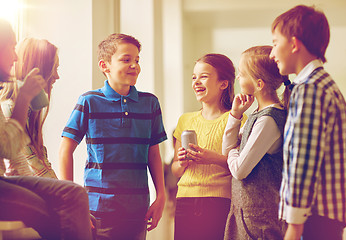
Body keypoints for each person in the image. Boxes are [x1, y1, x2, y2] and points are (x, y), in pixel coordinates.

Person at [59, 33, 167, 240]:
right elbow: (66, 149)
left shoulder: (150, 103)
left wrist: (161, 196)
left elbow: (153, 155)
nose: (134, 65)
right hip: (97, 209)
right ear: (104, 65)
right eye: (126, 60)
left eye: (137, 60)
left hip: (138, 210)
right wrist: (72, 201)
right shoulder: (89, 101)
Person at [0, 18, 93, 240]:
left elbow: (38, 162)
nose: (15, 57)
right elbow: (12, 155)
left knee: (75, 199)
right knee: (71, 201)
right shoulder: (10, 105)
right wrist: (24, 99)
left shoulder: (25, 110)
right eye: (11, 47)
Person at [270, 5, 346, 240]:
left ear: (294, 44)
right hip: (323, 215)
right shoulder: (322, 84)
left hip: (313, 217)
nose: (272, 53)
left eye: (275, 43)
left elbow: (303, 159)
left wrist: (294, 226)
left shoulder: (309, 89)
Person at [171, 53, 246, 240]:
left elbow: (243, 168)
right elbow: (175, 170)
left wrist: (212, 158)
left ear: (223, 84)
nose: (196, 82)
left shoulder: (238, 120)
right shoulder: (184, 120)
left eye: (203, 76)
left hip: (220, 202)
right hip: (184, 200)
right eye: (194, 77)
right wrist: (182, 162)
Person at [222, 46, 290, 240]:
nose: (237, 78)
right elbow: (226, 149)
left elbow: (239, 170)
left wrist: (234, 150)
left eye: (241, 74)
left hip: (259, 220)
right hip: (244, 214)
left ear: (259, 84)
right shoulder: (257, 115)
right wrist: (235, 115)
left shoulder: (269, 120)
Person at [0, 37, 59, 178]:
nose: (57, 76)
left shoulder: (30, 111)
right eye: (54, 69)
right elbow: (18, 168)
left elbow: (41, 164)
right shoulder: (10, 109)